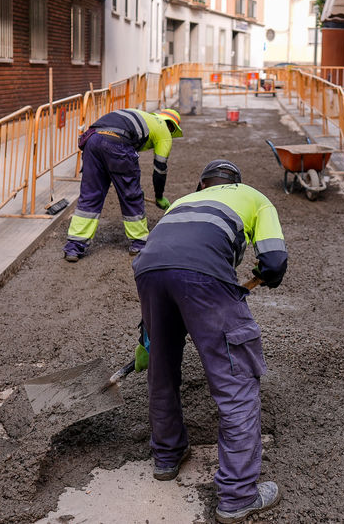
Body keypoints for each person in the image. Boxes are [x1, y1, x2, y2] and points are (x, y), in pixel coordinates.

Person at [131, 159, 286, 523]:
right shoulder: (254, 198)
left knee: (162, 370)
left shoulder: (184, 202)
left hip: (148, 271)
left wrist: (149, 337)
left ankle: (167, 457)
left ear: (203, 185)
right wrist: (266, 275)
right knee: (236, 380)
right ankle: (236, 497)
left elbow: (165, 259)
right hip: (204, 276)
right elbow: (275, 260)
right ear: (236, 182)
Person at [64, 108, 183, 262]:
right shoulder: (165, 133)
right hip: (118, 143)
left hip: (92, 140)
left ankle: (74, 246)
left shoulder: (144, 116)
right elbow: (160, 169)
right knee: (131, 195)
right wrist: (159, 196)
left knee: (90, 194)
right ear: (172, 127)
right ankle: (139, 243)